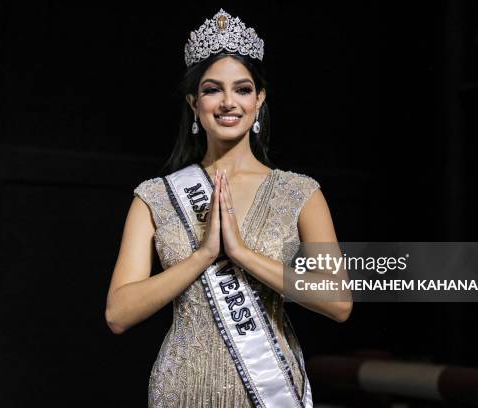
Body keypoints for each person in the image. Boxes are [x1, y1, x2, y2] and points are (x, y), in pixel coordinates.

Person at [105, 9, 352, 407]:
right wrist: (204, 255)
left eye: (241, 89)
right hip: (181, 387)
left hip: (267, 387)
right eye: (211, 89)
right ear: (194, 102)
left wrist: (241, 254)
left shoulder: (300, 192)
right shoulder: (155, 196)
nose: (227, 102)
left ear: (259, 100)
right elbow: (118, 313)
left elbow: (339, 302)